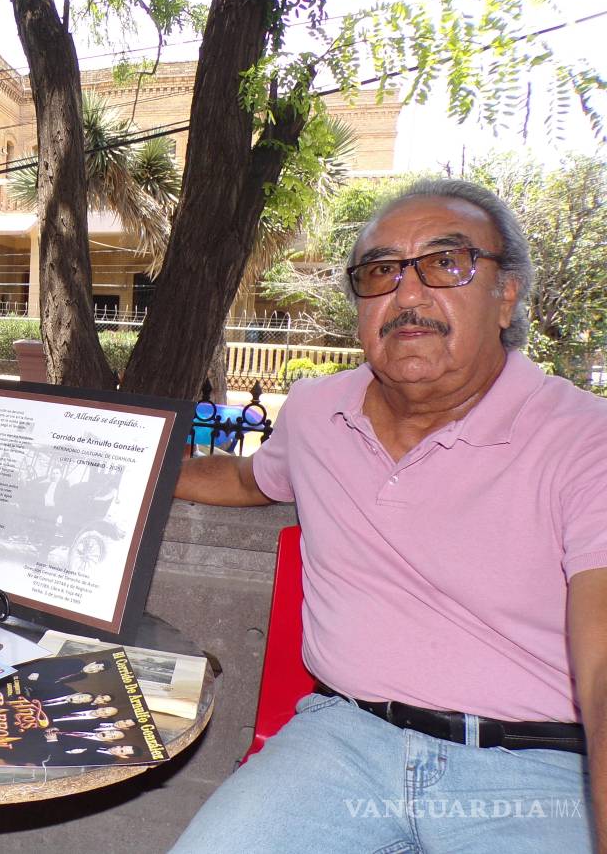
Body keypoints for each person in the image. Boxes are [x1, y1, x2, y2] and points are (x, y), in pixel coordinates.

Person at [170, 179, 607, 853]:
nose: (407, 296)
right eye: (381, 272)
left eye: (446, 263)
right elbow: (243, 477)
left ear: (506, 295)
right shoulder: (316, 412)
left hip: (533, 771)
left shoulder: (584, 439)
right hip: (341, 742)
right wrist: (122, 463)